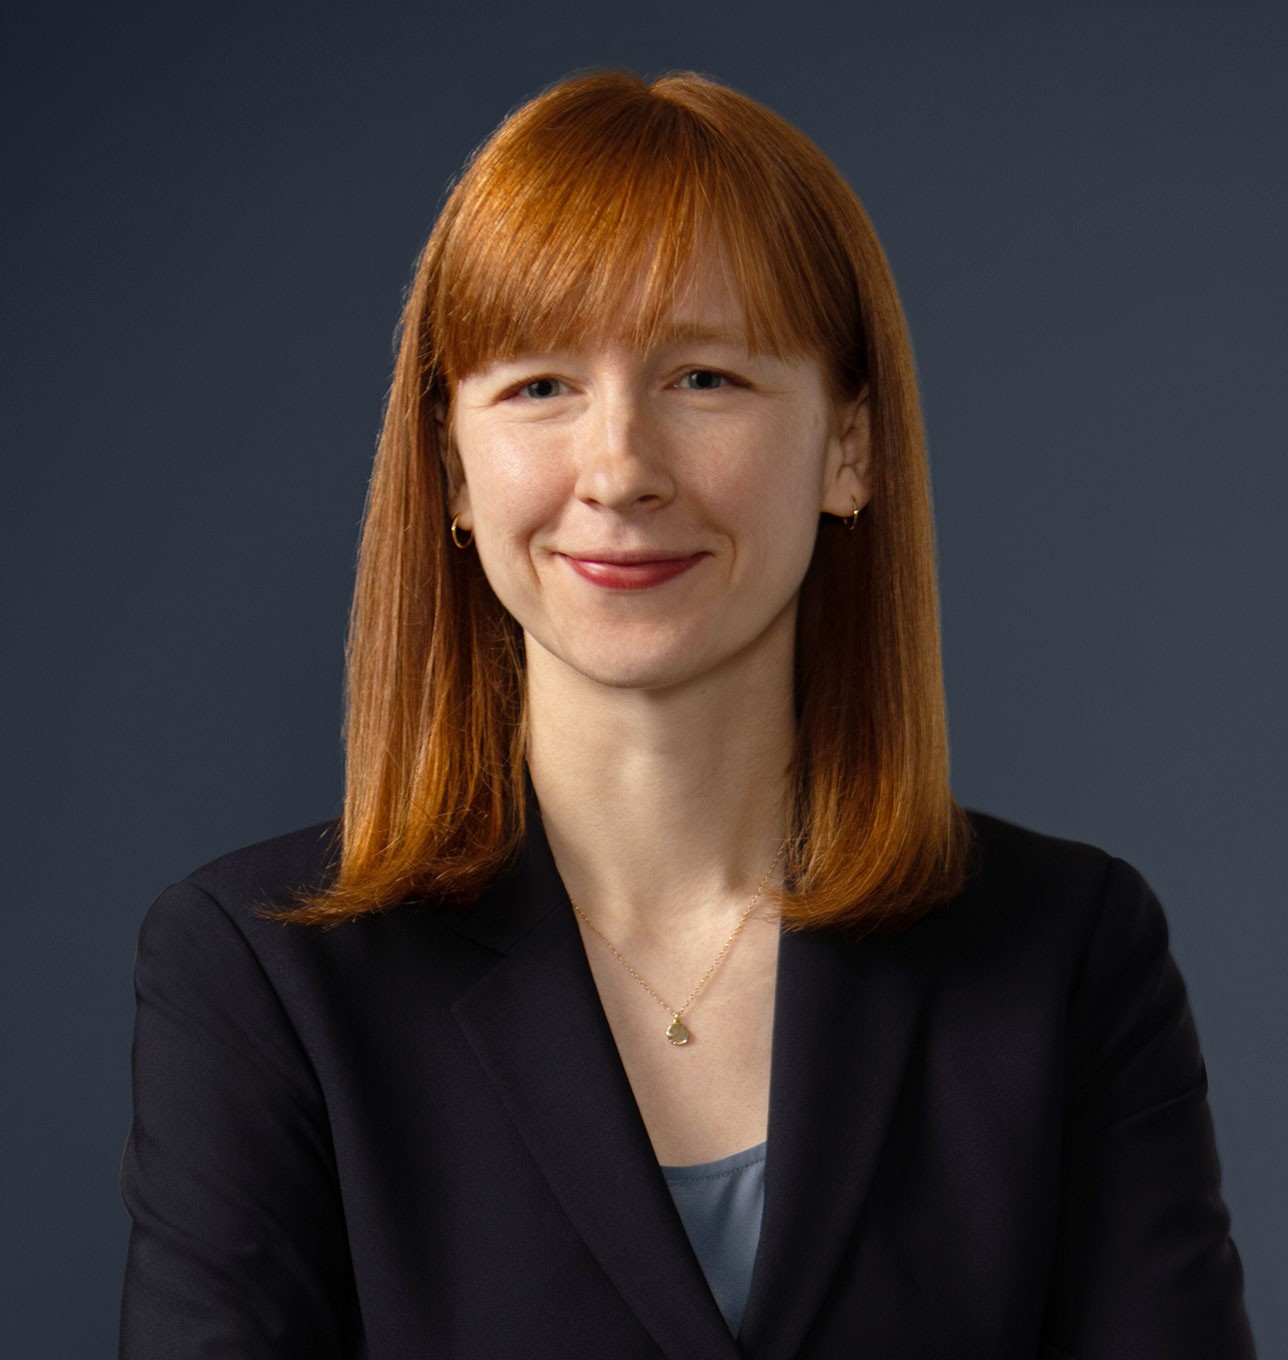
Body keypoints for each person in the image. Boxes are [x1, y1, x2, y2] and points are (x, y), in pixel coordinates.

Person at [119, 71, 1255, 1359]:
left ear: (850, 447)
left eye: (705, 377)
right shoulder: (258, 975)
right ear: (450, 466)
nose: (620, 471)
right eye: (540, 386)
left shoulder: (1069, 954)